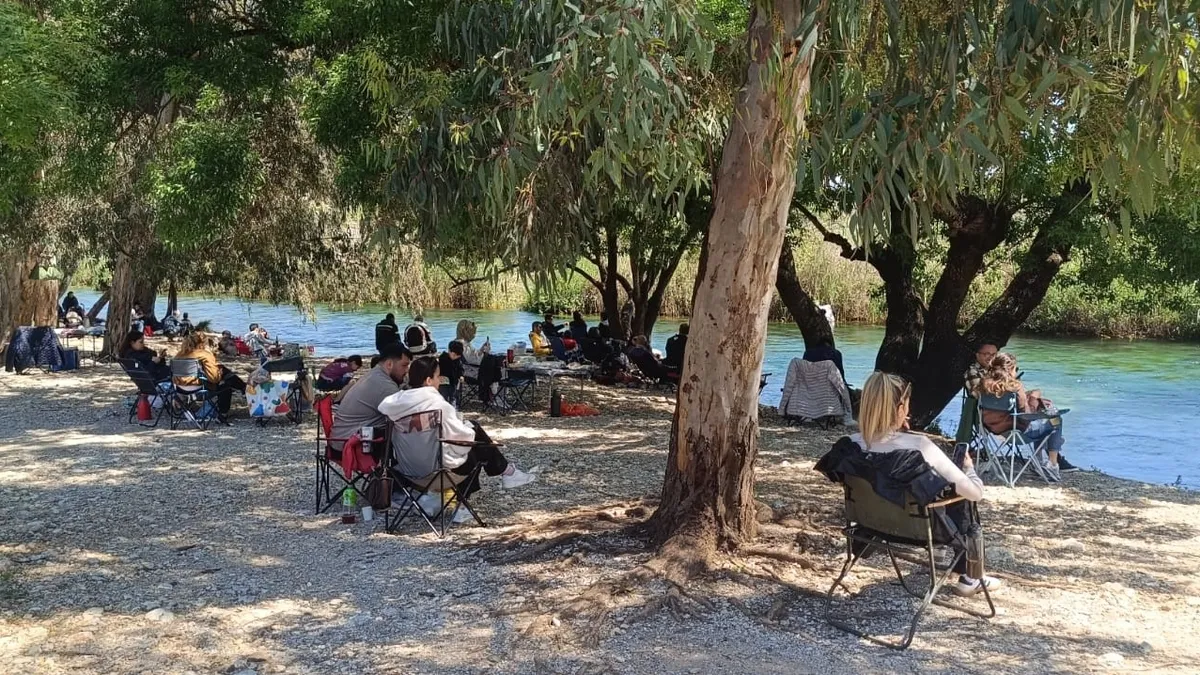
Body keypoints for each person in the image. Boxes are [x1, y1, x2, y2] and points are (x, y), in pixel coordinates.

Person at [852, 371, 999, 597]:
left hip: (871, 525)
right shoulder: (919, 446)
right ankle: (970, 576)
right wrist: (969, 469)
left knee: (931, 488)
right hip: (920, 532)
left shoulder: (850, 445)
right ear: (901, 408)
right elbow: (975, 493)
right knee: (961, 496)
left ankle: (941, 554)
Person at [378, 356, 536, 523]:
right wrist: (468, 428)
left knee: (469, 441)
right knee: (474, 443)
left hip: (408, 472)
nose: (440, 380)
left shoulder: (394, 406)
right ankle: (472, 498)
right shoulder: (438, 406)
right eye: (438, 376)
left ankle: (506, 472)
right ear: (428, 380)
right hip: (437, 473)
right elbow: (462, 438)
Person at [979, 353, 1072, 479]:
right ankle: (1053, 464)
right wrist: (1033, 399)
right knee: (1055, 419)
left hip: (995, 431)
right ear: (1010, 369)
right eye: (1015, 369)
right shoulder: (1015, 387)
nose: (1016, 372)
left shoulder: (984, 385)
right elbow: (1027, 415)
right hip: (1018, 434)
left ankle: (1039, 462)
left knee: (1042, 421)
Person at [331, 344, 412, 451]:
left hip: (341, 437)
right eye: (404, 365)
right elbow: (405, 416)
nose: (407, 370)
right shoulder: (384, 385)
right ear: (389, 364)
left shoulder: (375, 375)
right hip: (351, 445)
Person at [174, 333, 247, 423]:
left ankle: (243, 388)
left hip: (179, 390)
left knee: (223, 371)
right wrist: (219, 374)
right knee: (225, 386)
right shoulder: (204, 354)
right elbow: (214, 378)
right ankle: (223, 414)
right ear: (202, 343)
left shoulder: (178, 356)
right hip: (198, 391)